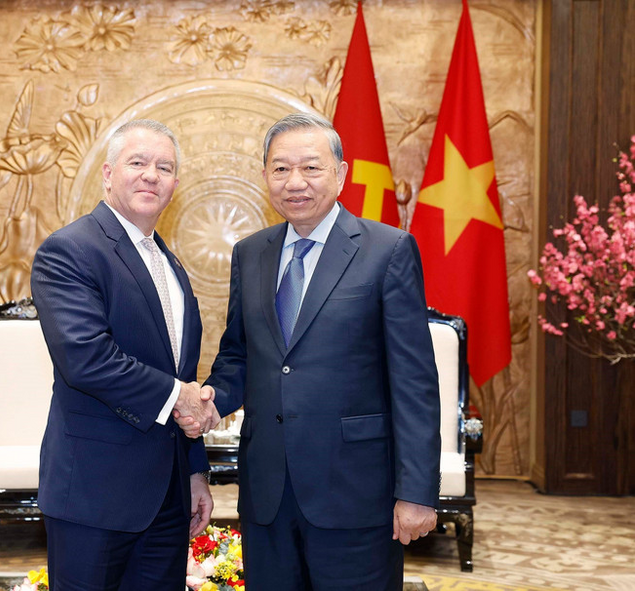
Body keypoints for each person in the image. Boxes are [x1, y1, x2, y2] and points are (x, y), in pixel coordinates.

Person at [182, 113, 441, 590]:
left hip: (355, 493)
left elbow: (415, 382)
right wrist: (210, 399)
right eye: (280, 169)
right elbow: (240, 355)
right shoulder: (251, 253)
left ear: (341, 174)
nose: (294, 182)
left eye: (311, 168)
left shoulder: (388, 249)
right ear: (264, 178)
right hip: (267, 495)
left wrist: (418, 493)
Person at [31, 119, 219, 591]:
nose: (151, 175)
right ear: (109, 174)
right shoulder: (70, 250)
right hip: (94, 496)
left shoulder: (167, 262)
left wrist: (194, 471)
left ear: (175, 184)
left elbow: (181, 371)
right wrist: (181, 397)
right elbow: (87, 358)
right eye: (138, 163)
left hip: (167, 500)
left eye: (164, 167)